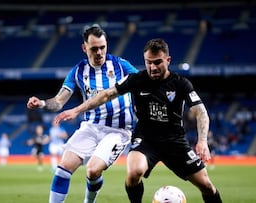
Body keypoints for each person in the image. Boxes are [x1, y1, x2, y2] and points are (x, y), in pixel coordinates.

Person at [54, 38, 223, 203]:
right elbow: (106, 95)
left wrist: (202, 141)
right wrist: (76, 110)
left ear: (168, 60)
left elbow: (201, 113)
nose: (152, 67)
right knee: (134, 172)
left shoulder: (181, 84)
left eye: (157, 62)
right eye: (148, 62)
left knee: (207, 186)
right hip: (146, 140)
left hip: (174, 141)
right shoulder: (137, 79)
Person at [26, 24, 138, 203]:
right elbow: (59, 102)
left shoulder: (120, 64)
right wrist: (41, 103)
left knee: (92, 170)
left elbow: (143, 82)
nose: (99, 52)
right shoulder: (78, 71)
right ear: (84, 48)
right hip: (91, 127)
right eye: (94, 48)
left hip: (117, 130)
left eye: (103, 47)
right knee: (62, 168)